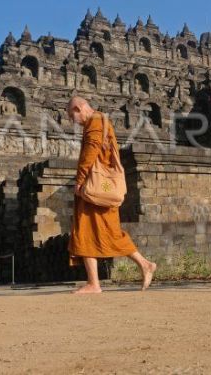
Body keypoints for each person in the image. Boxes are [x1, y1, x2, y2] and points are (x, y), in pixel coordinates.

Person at [67, 96, 156, 293]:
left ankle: (95, 283)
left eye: (71, 115)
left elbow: (90, 152)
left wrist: (80, 180)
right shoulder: (100, 120)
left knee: (86, 230)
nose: (72, 121)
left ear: (79, 108)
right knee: (105, 231)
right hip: (104, 188)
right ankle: (142, 265)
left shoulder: (96, 122)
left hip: (95, 187)